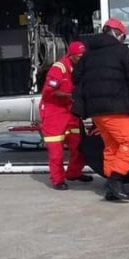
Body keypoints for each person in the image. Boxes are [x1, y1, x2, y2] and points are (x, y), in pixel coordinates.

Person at [73, 18, 129, 202]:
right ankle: (115, 180)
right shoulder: (121, 50)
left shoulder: (88, 52)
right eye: (122, 35)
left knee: (113, 145)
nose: (122, 38)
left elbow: (76, 77)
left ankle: (112, 187)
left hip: (95, 111)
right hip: (115, 107)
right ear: (116, 33)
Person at [39, 41, 93, 190]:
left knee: (80, 145)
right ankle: (57, 180)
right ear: (72, 55)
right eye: (80, 56)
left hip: (70, 111)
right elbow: (48, 92)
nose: (82, 58)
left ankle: (74, 173)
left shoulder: (81, 68)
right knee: (56, 151)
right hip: (53, 111)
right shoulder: (59, 68)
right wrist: (71, 95)